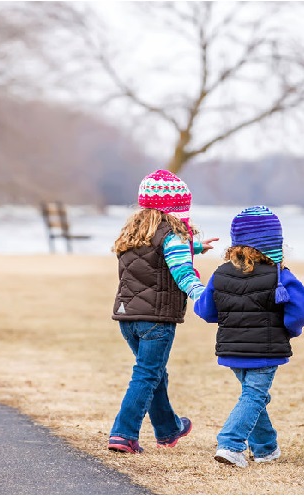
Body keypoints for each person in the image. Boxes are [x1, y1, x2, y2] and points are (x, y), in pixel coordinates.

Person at [107, 169, 218, 454]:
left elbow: (154, 253)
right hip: (156, 320)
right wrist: (202, 295)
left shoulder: (133, 234)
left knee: (154, 373)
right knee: (146, 374)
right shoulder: (173, 236)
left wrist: (194, 247)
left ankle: (168, 429)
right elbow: (181, 270)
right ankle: (124, 433)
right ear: (175, 210)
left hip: (128, 317)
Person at [194, 205, 304, 468]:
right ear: (275, 244)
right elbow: (300, 311)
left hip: (230, 349)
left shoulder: (221, 274)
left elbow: (205, 310)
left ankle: (266, 448)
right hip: (265, 350)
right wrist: (291, 330)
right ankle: (230, 444)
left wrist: (228, 316)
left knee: (254, 395)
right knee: (255, 395)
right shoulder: (280, 276)